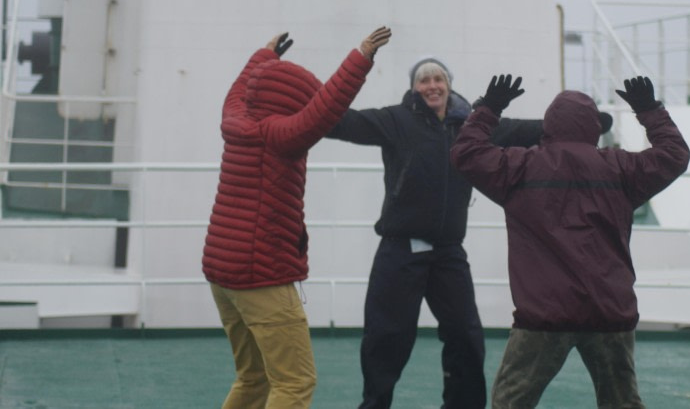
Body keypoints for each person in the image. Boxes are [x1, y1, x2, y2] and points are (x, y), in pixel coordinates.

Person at [450, 75, 690, 409]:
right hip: (608, 311)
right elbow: (674, 155)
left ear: (548, 126)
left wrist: (489, 108)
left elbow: (465, 153)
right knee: (622, 403)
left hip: (544, 315)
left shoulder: (520, 167)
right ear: (594, 128)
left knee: (510, 402)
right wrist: (649, 110)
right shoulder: (621, 169)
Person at [325, 58, 542, 409]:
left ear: (449, 84)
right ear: (414, 88)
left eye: (438, 78)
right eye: (423, 80)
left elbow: (520, 131)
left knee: (467, 337)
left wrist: (577, 126)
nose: (431, 85)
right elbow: (344, 123)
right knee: (386, 339)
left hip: (448, 254)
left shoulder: (471, 126)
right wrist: (299, 107)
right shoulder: (396, 120)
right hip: (399, 251)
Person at [202, 27, 391, 409]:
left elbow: (237, 91)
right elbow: (325, 110)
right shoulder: (281, 136)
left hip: (221, 272)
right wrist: (361, 57)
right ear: (292, 102)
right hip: (261, 274)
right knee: (294, 383)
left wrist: (263, 56)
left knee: (253, 378)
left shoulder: (235, 121)